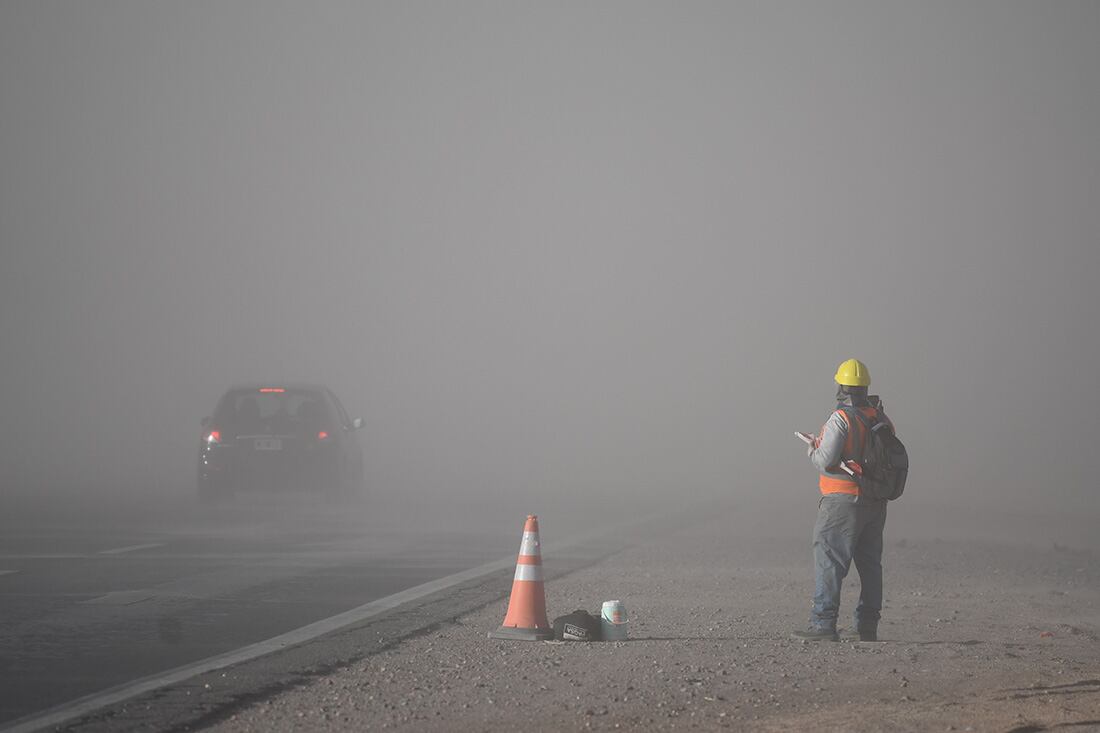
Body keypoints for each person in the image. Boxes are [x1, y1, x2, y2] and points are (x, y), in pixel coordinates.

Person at [793, 358, 893, 642]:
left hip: (842, 502)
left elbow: (826, 461)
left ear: (841, 386)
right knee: (871, 564)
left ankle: (823, 624)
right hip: (875, 503)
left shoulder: (841, 418)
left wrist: (813, 448)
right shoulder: (881, 418)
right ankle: (867, 626)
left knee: (829, 558)